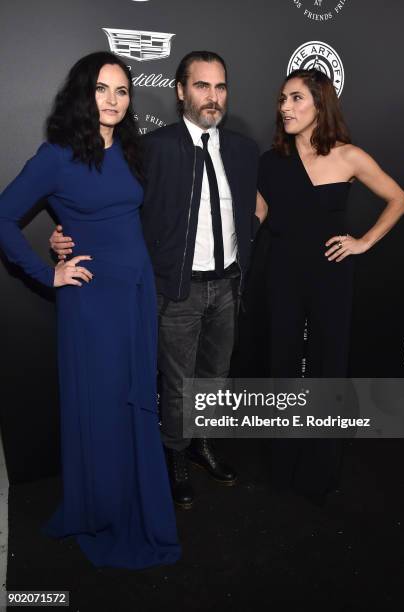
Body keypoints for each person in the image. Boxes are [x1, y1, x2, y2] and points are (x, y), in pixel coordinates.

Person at [51, 50, 263, 510]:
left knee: (215, 377)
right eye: (202, 85)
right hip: (176, 289)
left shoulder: (244, 151)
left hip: (227, 286)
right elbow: (114, 206)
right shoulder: (150, 149)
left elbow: (252, 208)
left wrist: (248, 236)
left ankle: (202, 442)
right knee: (178, 383)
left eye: (221, 86)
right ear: (180, 91)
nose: (213, 96)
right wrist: (66, 231)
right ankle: (175, 457)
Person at [0, 51, 180, 568]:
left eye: (122, 91)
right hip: (93, 302)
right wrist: (48, 270)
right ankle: (103, 506)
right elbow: (5, 219)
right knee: (102, 407)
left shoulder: (130, 149)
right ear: (82, 94)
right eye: (103, 89)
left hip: (137, 293)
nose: (114, 100)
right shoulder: (56, 156)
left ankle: (136, 496)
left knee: (136, 398)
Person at [256, 68, 404, 502]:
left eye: (296, 99)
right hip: (282, 272)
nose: (285, 107)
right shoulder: (270, 162)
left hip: (330, 274)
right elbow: (260, 211)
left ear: (320, 105)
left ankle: (320, 470)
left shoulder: (348, 156)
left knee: (328, 369)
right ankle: (282, 467)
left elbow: (399, 199)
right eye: (282, 98)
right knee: (281, 368)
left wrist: (363, 243)